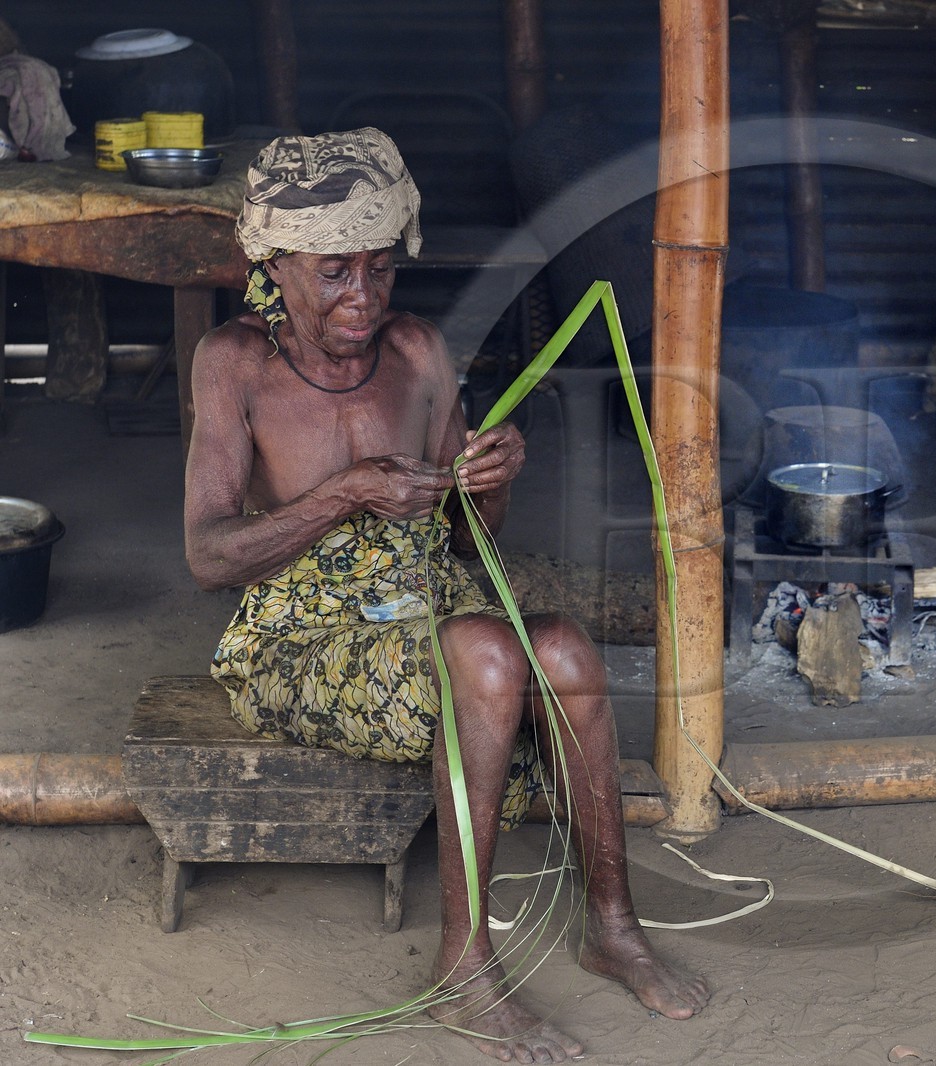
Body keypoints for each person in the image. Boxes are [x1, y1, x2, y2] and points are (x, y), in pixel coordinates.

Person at [185, 128, 710, 1064]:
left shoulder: (419, 351)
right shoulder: (235, 364)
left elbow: (472, 541)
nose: (362, 298)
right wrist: (345, 492)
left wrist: (491, 479)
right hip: (304, 638)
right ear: (272, 263)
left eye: (381, 271)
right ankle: (462, 971)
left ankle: (612, 925)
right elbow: (210, 555)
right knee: (487, 649)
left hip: (431, 608)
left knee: (567, 649)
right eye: (335, 271)